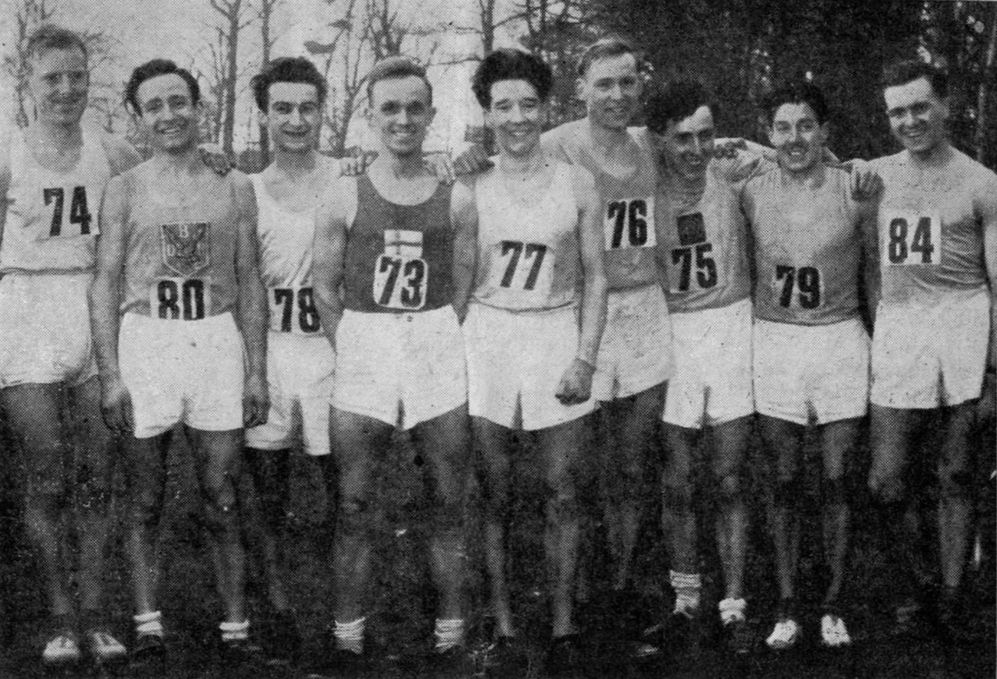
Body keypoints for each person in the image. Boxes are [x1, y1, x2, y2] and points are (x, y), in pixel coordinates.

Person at [89, 59, 268, 663]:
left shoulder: (232, 181)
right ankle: (148, 624)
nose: (169, 115)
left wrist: (256, 369)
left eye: (178, 101)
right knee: (144, 497)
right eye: (154, 106)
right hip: (148, 340)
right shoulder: (127, 186)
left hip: (214, 339)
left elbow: (249, 278)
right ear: (139, 117)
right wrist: (111, 373)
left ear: (198, 105)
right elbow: (106, 280)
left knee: (221, 494)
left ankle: (236, 629)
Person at [311, 56, 474, 672]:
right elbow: (325, 286)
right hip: (367, 340)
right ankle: (348, 633)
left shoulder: (457, 198)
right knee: (354, 503)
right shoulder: (343, 193)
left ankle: (451, 631)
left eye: (415, 107)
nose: (403, 119)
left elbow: (462, 283)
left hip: (432, 338)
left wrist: (431, 335)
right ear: (371, 116)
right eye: (390, 108)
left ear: (431, 113)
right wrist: (354, 342)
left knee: (447, 497)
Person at [453, 48, 607, 675]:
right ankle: (504, 619)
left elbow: (596, 278)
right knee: (492, 492)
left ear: (547, 108)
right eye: (503, 106)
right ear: (487, 114)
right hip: (488, 333)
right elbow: (459, 279)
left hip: (552, 330)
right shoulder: (470, 182)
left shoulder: (576, 181)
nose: (517, 118)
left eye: (528, 105)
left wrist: (584, 358)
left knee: (563, 490)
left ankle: (565, 624)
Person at [0, 25, 141, 667]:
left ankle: (100, 613)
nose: (65, 89)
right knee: (47, 474)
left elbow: (173, 179)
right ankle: (61, 615)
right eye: (51, 77)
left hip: (93, 308)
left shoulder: (111, 151)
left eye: (75, 77)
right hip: (27, 311)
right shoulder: (8, 152)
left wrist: (217, 163)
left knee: (98, 474)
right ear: (28, 83)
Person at [539, 38, 673, 605]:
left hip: (643, 306)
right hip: (583, 309)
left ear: (640, 84)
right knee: (576, 463)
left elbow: (735, 148)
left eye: (627, 82)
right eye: (604, 84)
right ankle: (579, 583)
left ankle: (625, 579)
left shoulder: (652, 142)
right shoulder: (554, 146)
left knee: (634, 459)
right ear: (581, 89)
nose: (617, 95)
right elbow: (491, 173)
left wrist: (847, 164)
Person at [866, 59, 997, 638]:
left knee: (956, 472)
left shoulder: (981, 183)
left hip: (963, 321)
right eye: (897, 111)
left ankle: (951, 594)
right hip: (901, 327)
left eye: (920, 107)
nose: (910, 120)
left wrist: (994, 372)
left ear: (945, 105)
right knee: (887, 478)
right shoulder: (874, 174)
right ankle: (914, 583)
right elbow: (803, 162)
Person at [743, 81, 874, 650]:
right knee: (784, 479)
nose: (795, 138)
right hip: (776, 340)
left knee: (839, 478)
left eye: (805, 126)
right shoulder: (748, 187)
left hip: (840, 338)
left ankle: (834, 603)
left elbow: (876, 272)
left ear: (824, 131)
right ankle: (789, 602)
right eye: (783, 127)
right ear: (770, 135)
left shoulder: (856, 187)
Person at [639, 79, 763, 657]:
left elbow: (804, 154)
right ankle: (686, 599)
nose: (695, 149)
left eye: (705, 135)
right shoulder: (643, 181)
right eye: (682, 137)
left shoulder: (734, 169)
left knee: (732, 476)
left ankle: (734, 602)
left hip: (730, 325)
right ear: (661, 138)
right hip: (674, 332)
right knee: (678, 478)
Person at [243, 56, 339, 662]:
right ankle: (277, 611)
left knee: (342, 494)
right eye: (283, 108)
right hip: (272, 347)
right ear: (265, 115)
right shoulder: (245, 188)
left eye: (307, 107)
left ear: (322, 110)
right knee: (265, 494)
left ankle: (339, 611)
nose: (296, 119)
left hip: (334, 350)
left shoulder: (350, 178)